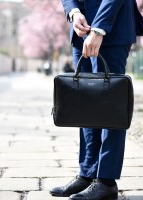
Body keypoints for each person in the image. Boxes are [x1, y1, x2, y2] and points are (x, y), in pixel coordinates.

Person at [50, 0, 143, 200]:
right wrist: (73, 12)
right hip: (80, 29)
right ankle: (87, 174)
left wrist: (99, 28)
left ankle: (106, 182)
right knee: (85, 105)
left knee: (111, 106)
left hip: (112, 25)